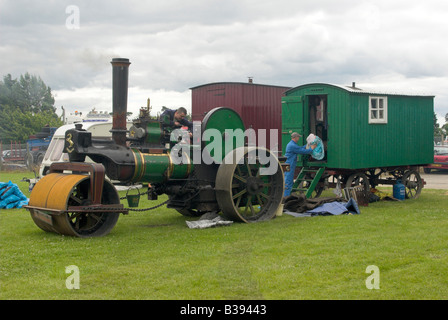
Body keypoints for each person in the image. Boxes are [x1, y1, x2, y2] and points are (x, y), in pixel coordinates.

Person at [284, 132, 313, 197]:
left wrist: (307, 145)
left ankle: (288, 196)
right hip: (290, 165)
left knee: (289, 182)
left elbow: (300, 148)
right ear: (295, 137)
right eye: (298, 137)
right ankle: (285, 198)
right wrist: (311, 149)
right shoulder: (292, 145)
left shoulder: (292, 144)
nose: (299, 138)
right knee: (288, 182)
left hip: (289, 165)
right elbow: (302, 151)